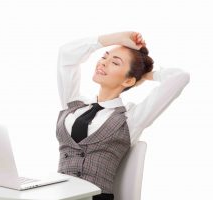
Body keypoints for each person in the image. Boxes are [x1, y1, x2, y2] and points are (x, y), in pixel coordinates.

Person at [55, 31, 190, 200]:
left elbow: (180, 77)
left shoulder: (131, 118)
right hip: (59, 194)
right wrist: (114, 39)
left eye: (115, 63)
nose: (103, 63)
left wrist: (145, 75)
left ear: (128, 81)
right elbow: (66, 54)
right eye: (104, 57)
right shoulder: (74, 105)